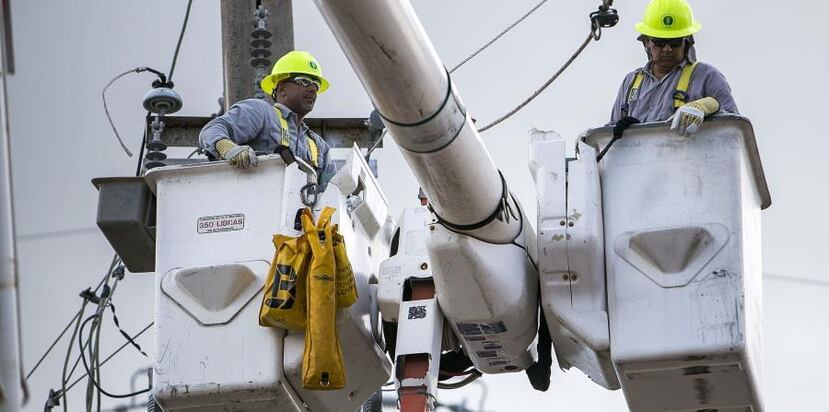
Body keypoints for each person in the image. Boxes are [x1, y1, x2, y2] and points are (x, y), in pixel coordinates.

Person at [200, 50, 336, 190]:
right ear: (282, 89)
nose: (312, 89)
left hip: (298, 210)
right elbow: (212, 130)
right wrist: (229, 149)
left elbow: (334, 191)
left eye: (316, 85)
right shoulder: (261, 113)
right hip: (253, 203)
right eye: (304, 81)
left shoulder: (318, 146)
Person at [608, 0, 738, 136]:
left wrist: (709, 107)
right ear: (647, 42)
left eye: (675, 42)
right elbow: (610, 134)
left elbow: (732, 131)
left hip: (690, 156)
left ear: (686, 41)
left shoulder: (706, 77)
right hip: (639, 156)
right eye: (659, 42)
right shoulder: (631, 82)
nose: (667, 49)